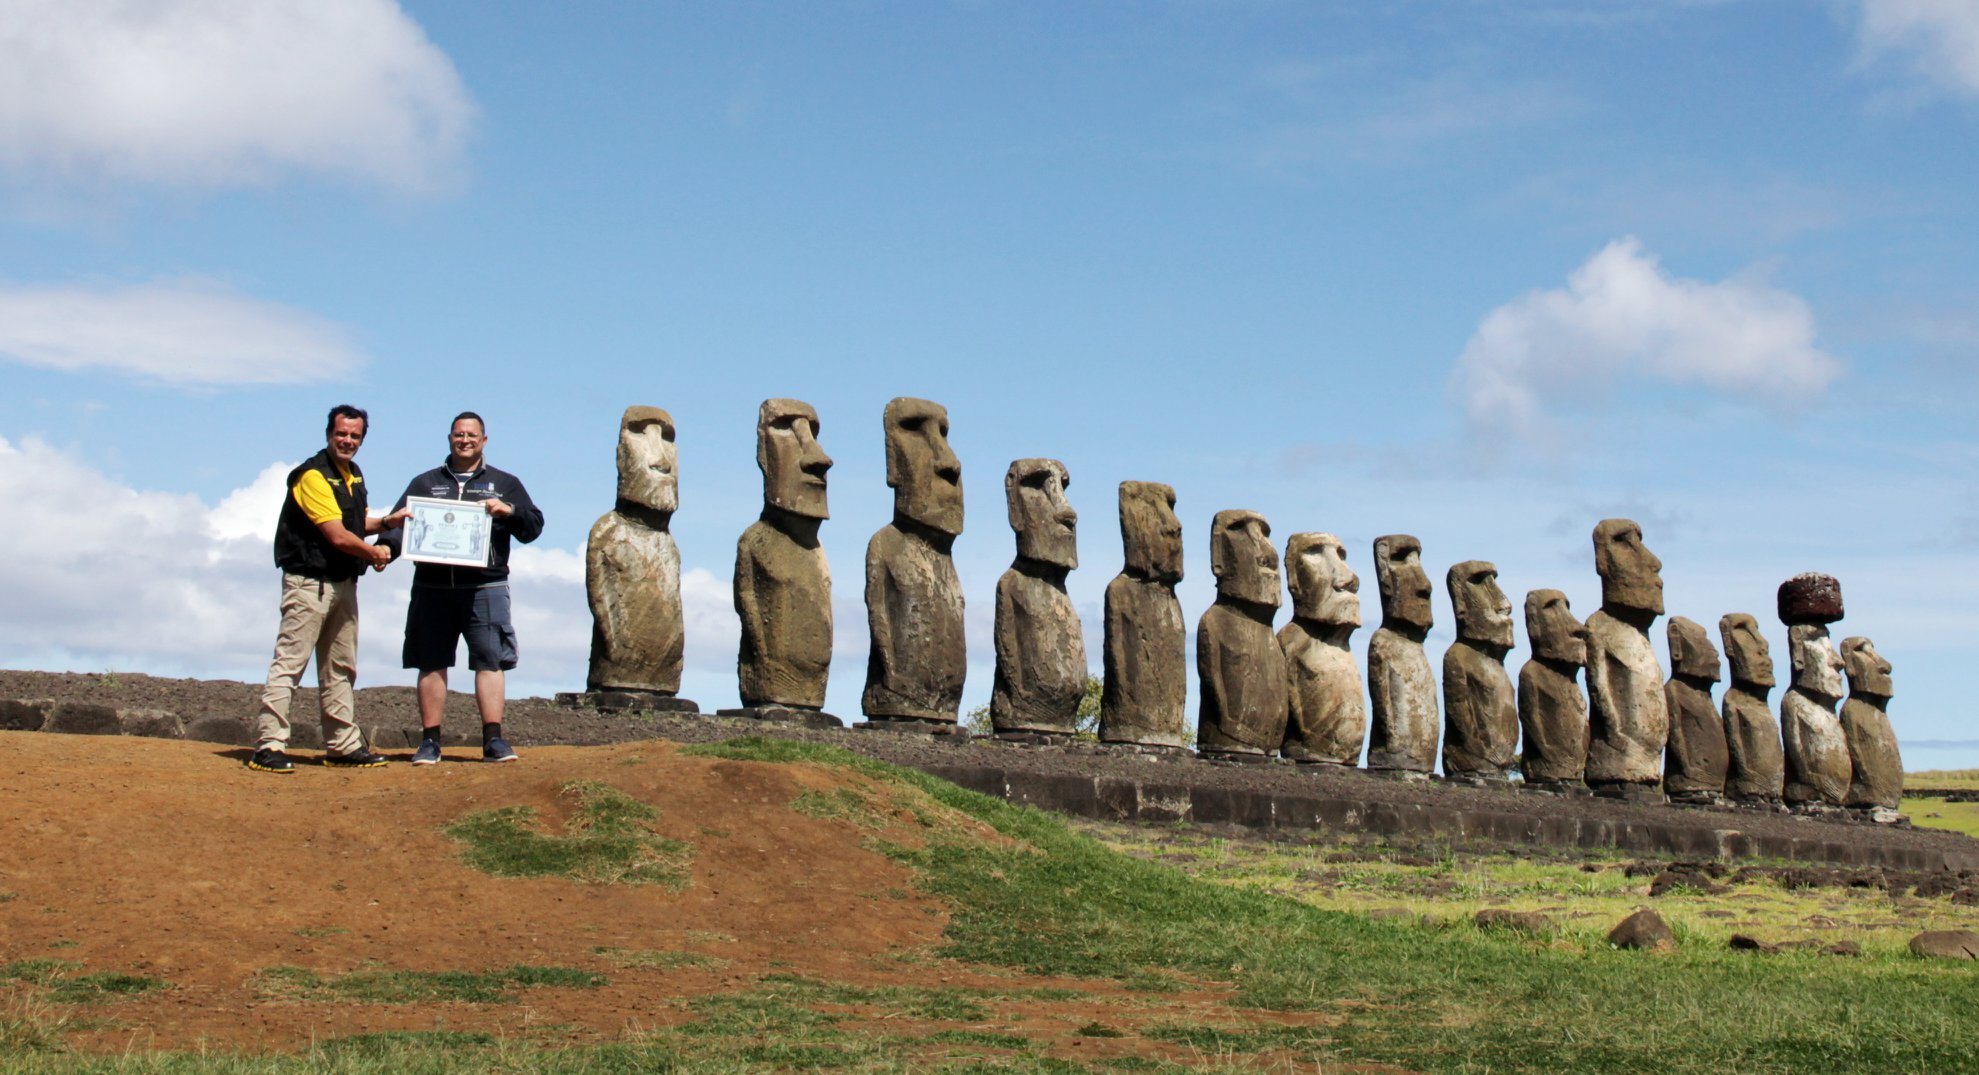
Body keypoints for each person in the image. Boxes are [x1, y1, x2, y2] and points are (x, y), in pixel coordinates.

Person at [251, 404, 409, 774]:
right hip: (309, 583)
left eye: (355, 436)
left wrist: (387, 522)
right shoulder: (312, 476)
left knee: (341, 667)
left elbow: (352, 524)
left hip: (343, 583)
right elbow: (337, 536)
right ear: (328, 434)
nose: (348, 441)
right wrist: (375, 553)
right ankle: (269, 744)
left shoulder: (352, 474)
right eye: (342, 434)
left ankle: (342, 744)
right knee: (290, 664)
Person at [380, 412, 544, 763]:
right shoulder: (424, 484)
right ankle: (430, 742)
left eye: (472, 435)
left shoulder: (505, 482)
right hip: (432, 586)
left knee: (491, 661)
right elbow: (398, 525)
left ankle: (494, 740)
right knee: (431, 661)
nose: (464, 440)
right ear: (450, 438)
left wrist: (509, 510)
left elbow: (533, 526)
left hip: (486, 587)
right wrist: (386, 549)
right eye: (458, 434)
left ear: (484, 440)